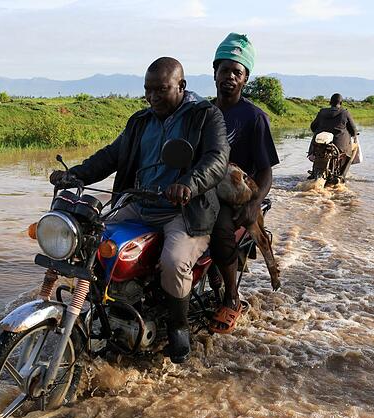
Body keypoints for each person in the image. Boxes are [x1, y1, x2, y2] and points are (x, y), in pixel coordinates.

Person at [49, 57, 230, 364]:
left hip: (183, 211)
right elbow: (111, 156)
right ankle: (105, 307)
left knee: (173, 264)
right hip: (138, 203)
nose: (153, 97)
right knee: (88, 241)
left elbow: (217, 159)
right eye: (148, 90)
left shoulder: (205, 116)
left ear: (181, 86)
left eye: (161, 89)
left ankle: (178, 326)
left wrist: (188, 183)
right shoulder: (140, 121)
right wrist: (75, 175)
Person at [206, 33, 280, 334]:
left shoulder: (254, 118)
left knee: (221, 229)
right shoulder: (203, 113)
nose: (230, 77)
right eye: (225, 70)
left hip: (233, 194)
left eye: (237, 72)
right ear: (215, 74)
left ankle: (231, 297)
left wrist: (253, 204)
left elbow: (266, 172)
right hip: (202, 188)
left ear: (245, 79)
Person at [309, 93, 359, 178]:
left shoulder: (322, 112)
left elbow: (313, 126)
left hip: (319, 144)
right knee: (354, 148)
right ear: (341, 103)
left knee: (318, 151)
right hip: (339, 145)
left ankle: (315, 171)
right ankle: (342, 175)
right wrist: (353, 134)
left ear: (330, 102)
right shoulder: (345, 112)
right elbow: (353, 130)